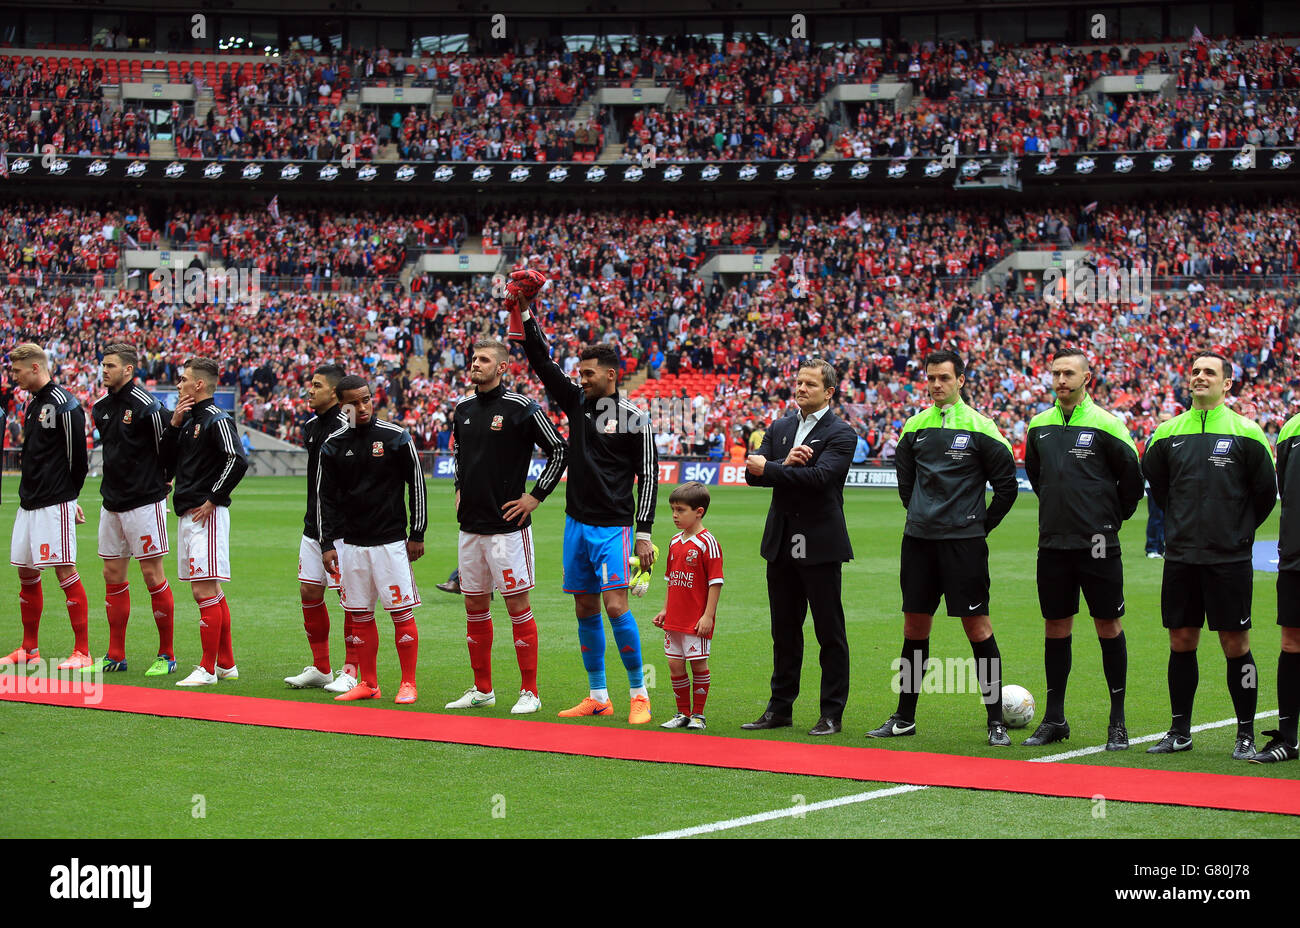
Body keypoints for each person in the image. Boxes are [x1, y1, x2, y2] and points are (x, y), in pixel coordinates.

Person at [510, 269, 659, 724]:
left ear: (612, 375)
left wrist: (645, 533)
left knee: (617, 606)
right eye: (580, 373)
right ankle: (598, 694)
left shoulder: (634, 416)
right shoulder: (576, 401)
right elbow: (541, 361)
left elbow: (648, 476)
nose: (582, 378)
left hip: (614, 525)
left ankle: (639, 693)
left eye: (590, 373)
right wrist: (524, 310)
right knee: (584, 606)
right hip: (576, 523)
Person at [867, 349, 1019, 746]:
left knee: (977, 627)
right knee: (914, 627)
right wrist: (921, 515)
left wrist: (979, 525)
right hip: (918, 542)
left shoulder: (982, 427)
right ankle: (904, 717)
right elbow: (905, 483)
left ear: (961, 380)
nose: (936, 385)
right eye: (931, 378)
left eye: (944, 378)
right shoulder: (914, 426)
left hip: (963, 545)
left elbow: (1006, 487)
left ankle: (995, 720)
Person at [1142, 353, 1277, 758]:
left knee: (1235, 644)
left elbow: (1265, 495)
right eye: (1196, 371)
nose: (1200, 377)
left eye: (1209, 372)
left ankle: (1246, 733)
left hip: (1228, 559)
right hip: (1181, 556)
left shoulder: (1247, 432)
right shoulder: (1167, 433)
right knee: (1181, 641)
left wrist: (1235, 532)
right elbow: (1160, 489)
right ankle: (1179, 731)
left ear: (1227, 384)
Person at [1022, 348, 1144, 749]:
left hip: (1097, 543)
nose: (1061, 380)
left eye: (1069, 373)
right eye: (1056, 373)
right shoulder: (1038, 426)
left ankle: (1118, 721)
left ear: (1086, 378)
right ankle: (1055, 719)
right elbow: (1038, 478)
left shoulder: (1108, 424)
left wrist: (1107, 519)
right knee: (1055, 627)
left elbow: (1132, 482)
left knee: (1107, 625)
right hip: (1053, 542)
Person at [445, 338, 566, 714]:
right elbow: (462, 454)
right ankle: (483, 689)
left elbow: (560, 450)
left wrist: (535, 496)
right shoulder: (462, 408)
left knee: (517, 606)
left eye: (483, 359)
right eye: (473, 358)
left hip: (506, 530)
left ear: (502, 367)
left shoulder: (522, 408)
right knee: (475, 608)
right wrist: (459, 487)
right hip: (470, 529)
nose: (475, 364)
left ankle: (530, 691)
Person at [741, 358, 856, 736]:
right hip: (782, 542)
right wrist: (782, 464)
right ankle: (780, 708)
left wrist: (775, 467)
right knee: (784, 630)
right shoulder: (780, 426)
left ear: (829, 391)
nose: (801, 388)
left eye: (810, 384)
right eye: (799, 382)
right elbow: (752, 475)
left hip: (819, 544)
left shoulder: (841, 433)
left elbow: (820, 479)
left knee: (829, 631)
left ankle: (831, 713)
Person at [318, 374, 427, 704]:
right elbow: (325, 498)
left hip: (390, 543)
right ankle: (369, 682)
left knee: (401, 614)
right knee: (360, 616)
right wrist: (326, 544)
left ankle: (408, 682)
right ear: (342, 405)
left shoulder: (395, 437)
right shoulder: (333, 445)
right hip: (351, 545)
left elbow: (417, 485)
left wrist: (417, 533)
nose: (362, 407)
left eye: (366, 399)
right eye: (354, 402)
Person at [1, 343, 92, 671]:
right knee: (27, 573)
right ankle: (29, 649)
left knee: (64, 570)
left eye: (17, 371)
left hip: (54, 503)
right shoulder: (35, 403)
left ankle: (82, 651)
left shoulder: (64, 405)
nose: (14, 377)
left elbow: (77, 458)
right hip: (29, 502)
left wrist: (71, 498)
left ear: (36, 368)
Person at [159, 358, 249, 687]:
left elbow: (237, 459)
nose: (179, 384)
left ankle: (207, 668)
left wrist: (214, 497)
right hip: (189, 513)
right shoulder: (188, 421)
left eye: (183, 380)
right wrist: (174, 424)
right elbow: (166, 462)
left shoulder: (217, 419)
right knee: (211, 591)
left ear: (199, 384)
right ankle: (225, 664)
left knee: (204, 590)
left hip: (205, 513)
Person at [91, 343, 176, 676]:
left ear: (128, 369)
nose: (104, 370)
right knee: (112, 575)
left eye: (110, 365)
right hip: (111, 501)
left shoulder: (148, 406)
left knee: (152, 575)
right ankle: (115, 655)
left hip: (144, 502)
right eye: (103, 364)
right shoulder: (100, 407)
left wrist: (164, 483)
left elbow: (165, 449)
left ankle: (167, 655)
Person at [284, 364, 350, 691]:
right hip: (314, 525)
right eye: (310, 384)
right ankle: (322, 668)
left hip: (341, 530)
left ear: (334, 393)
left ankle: (351, 670)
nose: (310, 389)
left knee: (349, 599)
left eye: (317, 385)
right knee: (309, 591)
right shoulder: (311, 426)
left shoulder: (346, 428)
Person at [653, 482, 723, 731]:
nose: (674, 515)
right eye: (672, 509)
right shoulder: (674, 542)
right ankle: (682, 713)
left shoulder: (707, 543)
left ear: (699, 511)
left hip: (696, 619)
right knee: (674, 664)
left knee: (698, 664)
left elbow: (716, 583)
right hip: (675, 617)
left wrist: (708, 616)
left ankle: (698, 715)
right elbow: (671, 580)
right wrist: (665, 609)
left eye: (680, 510)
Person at [1258, 410, 1300, 762]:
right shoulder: (1292, 427)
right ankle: (1287, 738)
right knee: (1291, 641)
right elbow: (1284, 488)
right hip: (1296, 555)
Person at [1145, 412, 1172, 558]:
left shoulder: (1169, 438)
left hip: (1166, 485)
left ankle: (1160, 547)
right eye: (1162, 420)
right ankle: (1152, 548)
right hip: (1154, 485)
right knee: (1156, 517)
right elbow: (1149, 465)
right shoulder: (1153, 438)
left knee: (1164, 517)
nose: (1164, 423)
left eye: (1167, 420)